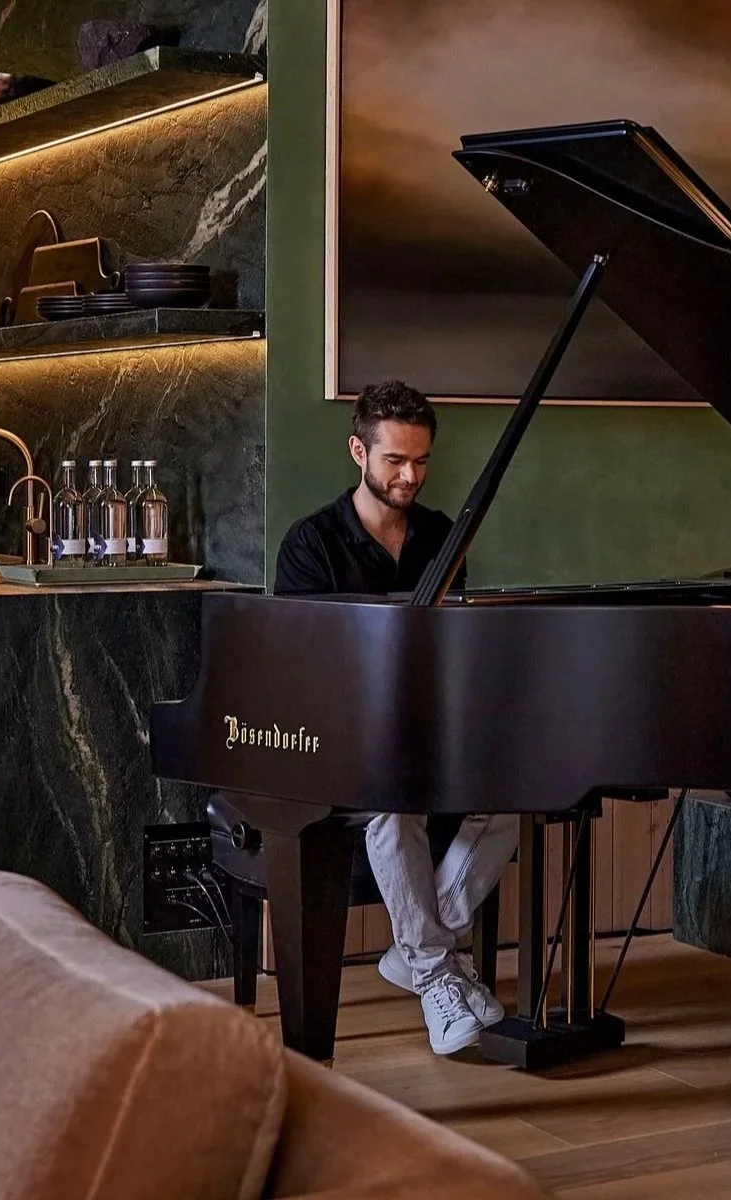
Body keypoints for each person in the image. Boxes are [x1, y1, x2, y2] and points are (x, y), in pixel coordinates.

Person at [275, 379, 519, 1055]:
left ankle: (416, 952)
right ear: (359, 451)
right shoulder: (310, 545)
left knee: (513, 797)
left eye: (421, 461)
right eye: (395, 461)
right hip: (336, 738)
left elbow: (450, 653)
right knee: (393, 801)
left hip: (425, 732)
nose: (410, 476)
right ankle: (437, 972)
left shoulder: (442, 535)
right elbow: (301, 671)